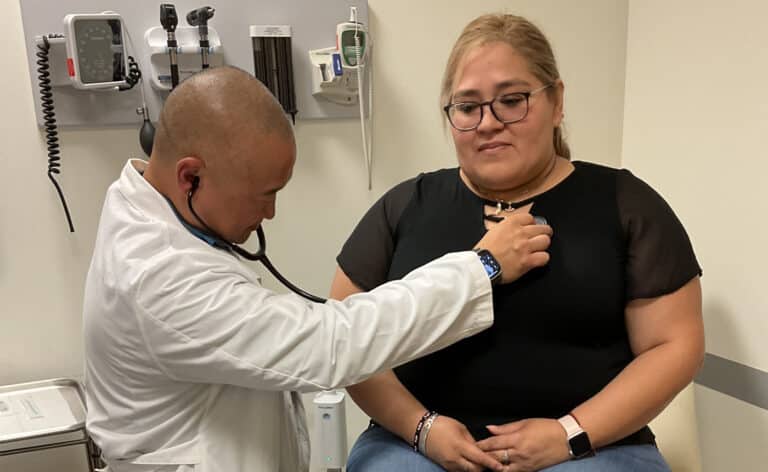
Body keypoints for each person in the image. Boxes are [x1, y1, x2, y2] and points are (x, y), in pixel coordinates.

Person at [82, 66, 555, 472]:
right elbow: (335, 343)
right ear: (191, 176)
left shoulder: (149, 206)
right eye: (265, 193)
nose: (269, 214)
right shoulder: (157, 276)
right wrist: (483, 266)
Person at [331, 13, 705, 472]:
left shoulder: (626, 205)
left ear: (557, 101)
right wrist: (423, 428)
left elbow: (673, 345)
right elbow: (346, 339)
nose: (488, 123)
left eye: (512, 100)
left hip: (593, 448)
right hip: (414, 446)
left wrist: (568, 433)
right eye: (468, 107)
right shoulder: (404, 207)